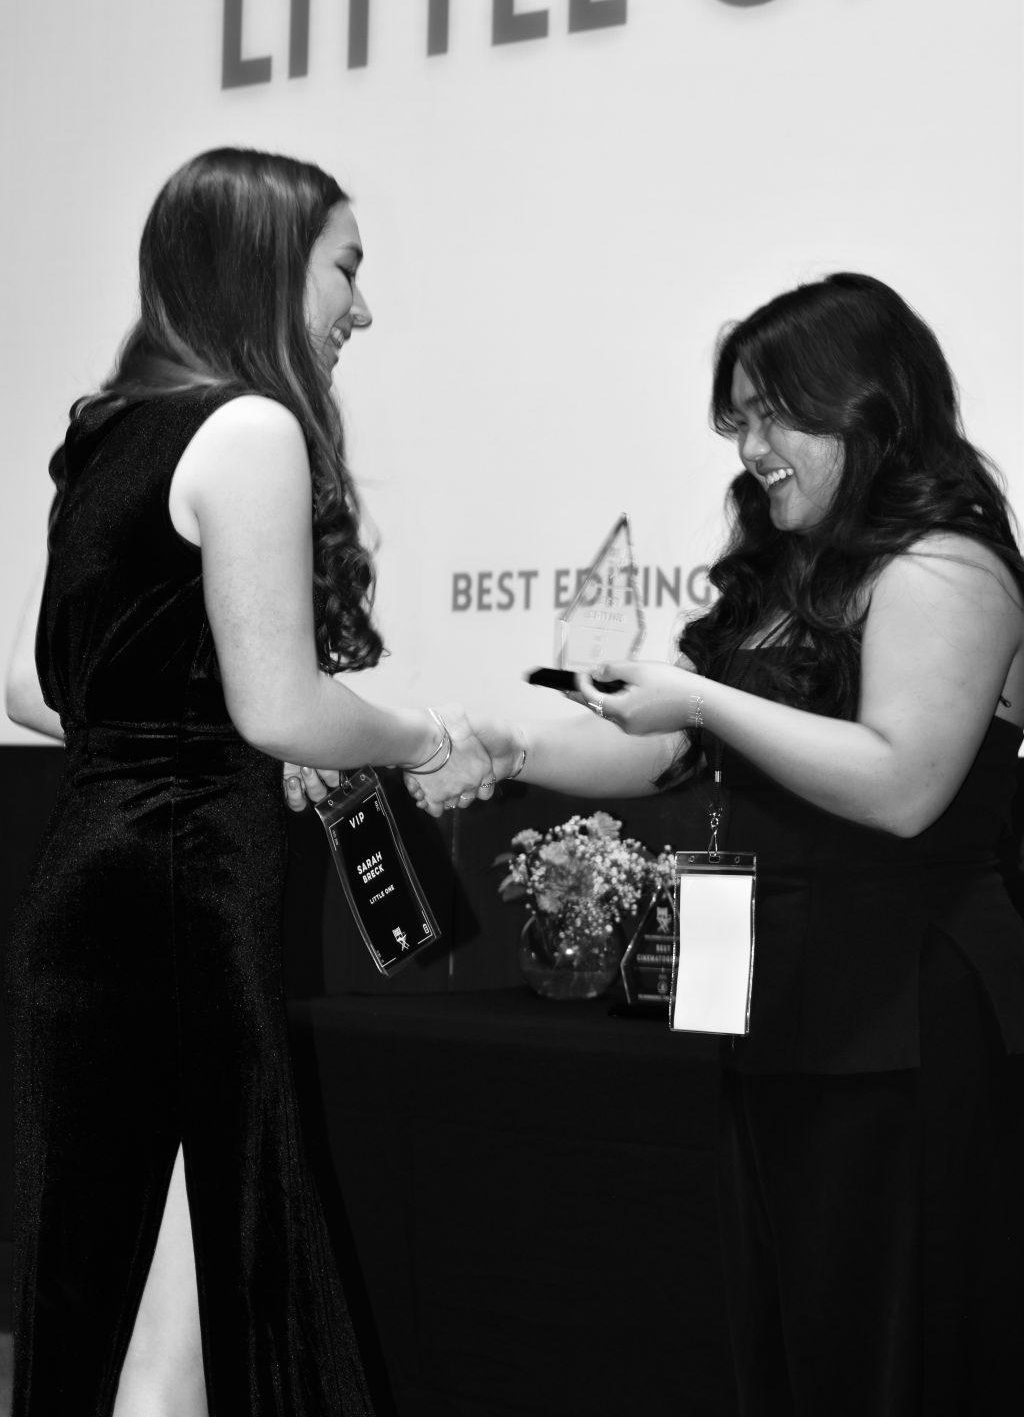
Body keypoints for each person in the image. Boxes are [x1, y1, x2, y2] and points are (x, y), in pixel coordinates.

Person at [412, 273, 1024, 1415]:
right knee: (788, 1327)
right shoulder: (786, 571)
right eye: (737, 420)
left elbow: (901, 784)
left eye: (771, 415)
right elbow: (666, 752)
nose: (750, 448)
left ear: (867, 405)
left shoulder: (952, 565)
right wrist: (501, 746)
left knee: (900, 1330)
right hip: (779, 996)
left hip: (906, 1007)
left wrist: (702, 704)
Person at [3, 147, 506, 1416]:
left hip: (85, 889)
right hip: (187, 901)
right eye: (346, 266)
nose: (362, 307)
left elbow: (31, 688)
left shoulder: (101, 430)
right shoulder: (250, 428)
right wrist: (413, 734)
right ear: (272, 267)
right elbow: (280, 703)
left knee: (132, 1293)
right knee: (199, 1277)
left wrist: (192, 739)